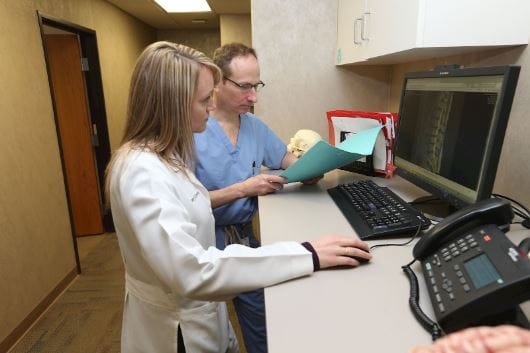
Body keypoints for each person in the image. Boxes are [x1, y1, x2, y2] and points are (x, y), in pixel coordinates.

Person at [105, 41, 372, 353]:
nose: (210, 107)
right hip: (176, 330)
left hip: (203, 311)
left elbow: (193, 206)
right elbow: (193, 270)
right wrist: (307, 254)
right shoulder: (142, 172)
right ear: (174, 104)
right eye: (205, 99)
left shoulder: (169, 157)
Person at [193, 43, 319, 353]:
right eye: (245, 87)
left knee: (261, 321)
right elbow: (185, 204)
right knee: (208, 330)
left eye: (257, 85)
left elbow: (287, 161)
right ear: (218, 83)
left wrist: (313, 167)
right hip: (205, 242)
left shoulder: (255, 128)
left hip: (245, 240)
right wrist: (244, 188)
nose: (254, 96)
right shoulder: (192, 129)